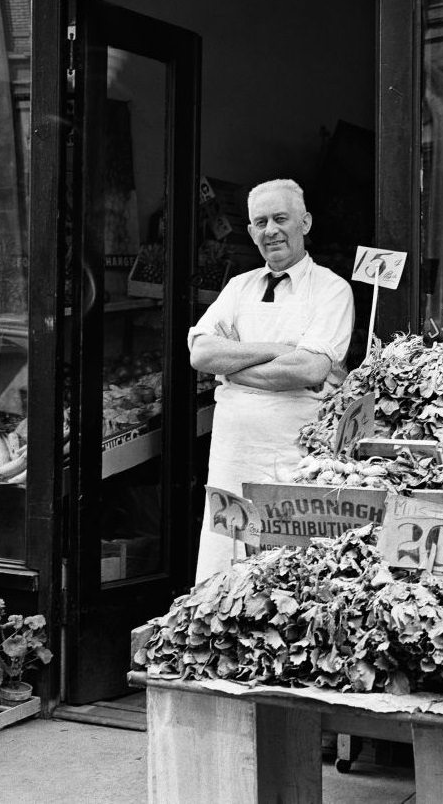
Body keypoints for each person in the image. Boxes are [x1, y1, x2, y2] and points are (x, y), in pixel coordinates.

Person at [188, 178, 354, 583]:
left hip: (296, 450)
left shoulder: (332, 289)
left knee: (288, 568)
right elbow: (202, 355)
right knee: (226, 561)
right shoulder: (237, 287)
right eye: (260, 222)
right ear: (250, 232)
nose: (271, 230)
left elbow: (309, 369)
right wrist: (280, 348)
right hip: (233, 452)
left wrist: (233, 368)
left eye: (281, 218)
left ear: (305, 223)